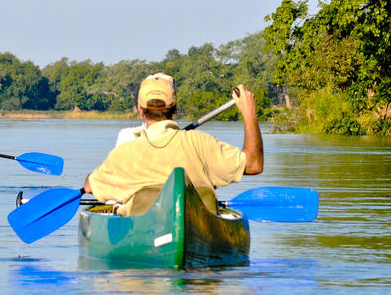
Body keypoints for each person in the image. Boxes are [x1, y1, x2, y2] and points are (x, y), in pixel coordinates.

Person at [83, 73, 263, 216]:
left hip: (143, 230)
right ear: (175, 108)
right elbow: (254, 164)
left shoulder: (124, 153)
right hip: (197, 225)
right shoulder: (201, 142)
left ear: (140, 110)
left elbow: (90, 186)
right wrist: (249, 114)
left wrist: (97, 175)